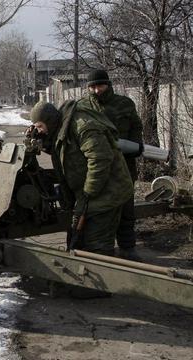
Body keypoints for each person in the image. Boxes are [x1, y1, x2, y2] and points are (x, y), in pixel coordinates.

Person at [29, 101, 134, 256]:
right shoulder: (61, 126)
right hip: (90, 196)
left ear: (49, 121)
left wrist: (87, 193)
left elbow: (100, 159)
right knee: (77, 243)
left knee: (96, 248)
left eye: (39, 126)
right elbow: (65, 151)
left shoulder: (82, 126)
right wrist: (41, 141)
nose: (39, 130)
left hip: (106, 193)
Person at [77, 69, 144, 261]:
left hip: (124, 164)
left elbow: (136, 126)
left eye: (100, 85)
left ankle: (127, 247)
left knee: (125, 207)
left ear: (108, 84)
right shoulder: (83, 106)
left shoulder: (124, 104)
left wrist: (135, 145)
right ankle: (97, 248)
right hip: (97, 165)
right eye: (92, 87)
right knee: (97, 207)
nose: (96, 90)